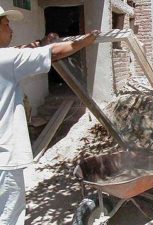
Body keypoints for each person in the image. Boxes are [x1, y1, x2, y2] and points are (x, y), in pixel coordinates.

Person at [0, 6, 100, 225]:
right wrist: (85, 41)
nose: (11, 29)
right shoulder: (6, 60)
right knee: (8, 215)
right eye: (6, 24)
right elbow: (54, 53)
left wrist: (41, 41)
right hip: (4, 157)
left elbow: (21, 50)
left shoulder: (7, 58)